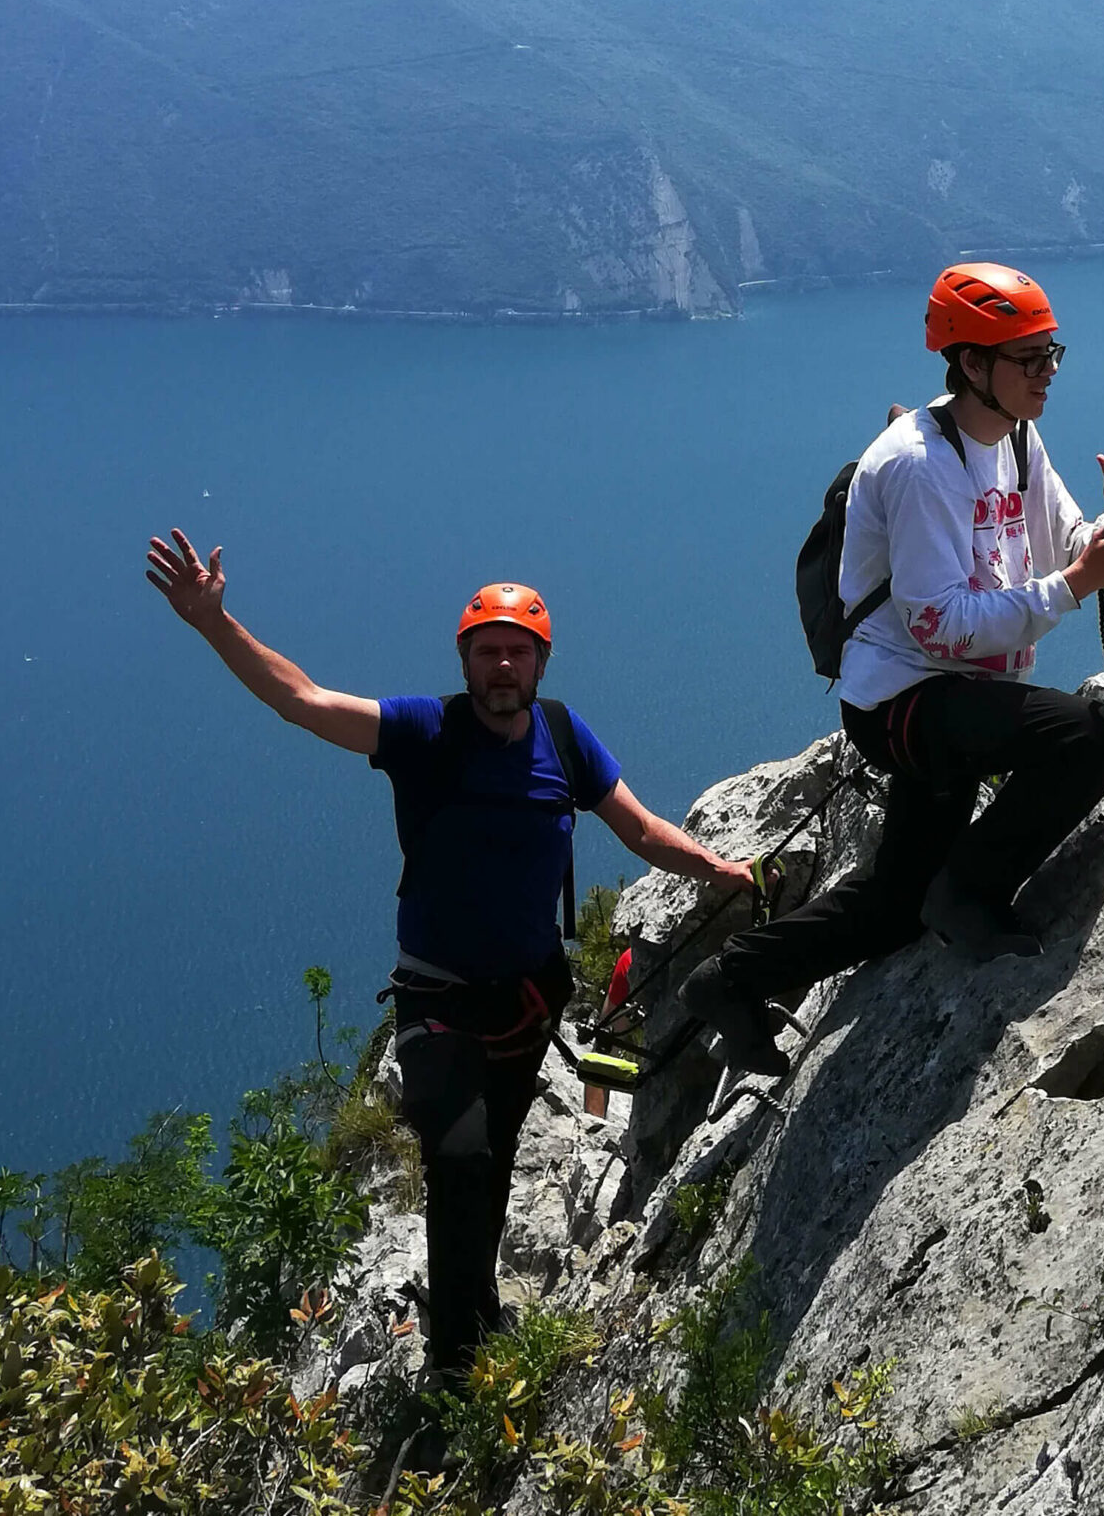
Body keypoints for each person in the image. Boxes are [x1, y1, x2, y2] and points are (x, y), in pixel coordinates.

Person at [142, 541, 752, 1380]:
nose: (502, 665)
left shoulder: (565, 738)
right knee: (459, 1157)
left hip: (530, 995)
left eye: (518, 650)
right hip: (435, 1000)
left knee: (493, 1161)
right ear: (464, 658)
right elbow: (303, 700)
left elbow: (641, 830)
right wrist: (213, 622)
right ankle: (452, 1358)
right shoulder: (426, 732)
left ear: (540, 661)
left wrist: (721, 869)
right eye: (486, 649)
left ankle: (477, 1304)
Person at [677, 262, 1104, 1074]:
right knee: (1089, 736)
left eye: (1053, 353)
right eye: (1030, 358)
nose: (1048, 371)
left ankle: (730, 980)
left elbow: (1056, 541)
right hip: (903, 704)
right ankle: (970, 893)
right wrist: (1083, 583)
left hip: (949, 692)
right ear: (972, 364)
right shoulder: (915, 465)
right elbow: (941, 626)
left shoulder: (1016, 436)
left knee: (894, 908)